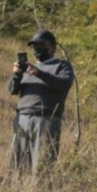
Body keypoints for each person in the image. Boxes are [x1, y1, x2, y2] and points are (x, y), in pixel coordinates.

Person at [8, 30, 75, 178]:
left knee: (43, 165)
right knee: (17, 165)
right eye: (34, 46)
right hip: (22, 118)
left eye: (41, 45)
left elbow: (64, 84)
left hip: (46, 119)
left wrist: (39, 73)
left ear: (52, 47)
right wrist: (17, 74)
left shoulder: (62, 66)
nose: (37, 49)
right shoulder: (27, 67)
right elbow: (12, 90)